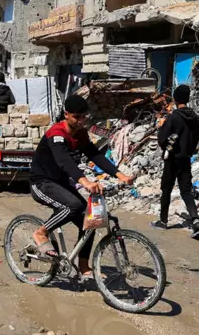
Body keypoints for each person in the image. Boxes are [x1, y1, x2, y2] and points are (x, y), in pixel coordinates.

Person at [29, 94, 134, 277]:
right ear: (66, 114)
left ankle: (84, 267)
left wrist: (120, 175)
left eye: (83, 116)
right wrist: (85, 182)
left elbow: (95, 155)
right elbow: (64, 162)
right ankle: (41, 232)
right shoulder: (56, 134)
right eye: (76, 117)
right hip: (42, 183)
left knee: (90, 221)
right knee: (74, 205)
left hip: (60, 183)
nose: (80, 121)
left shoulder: (81, 133)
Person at [151, 84, 199, 239]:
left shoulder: (174, 117)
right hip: (186, 158)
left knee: (166, 188)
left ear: (175, 99)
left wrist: (167, 145)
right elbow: (196, 139)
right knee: (186, 190)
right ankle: (196, 222)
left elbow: (162, 138)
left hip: (172, 159)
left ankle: (163, 220)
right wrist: (188, 150)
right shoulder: (195, 118)